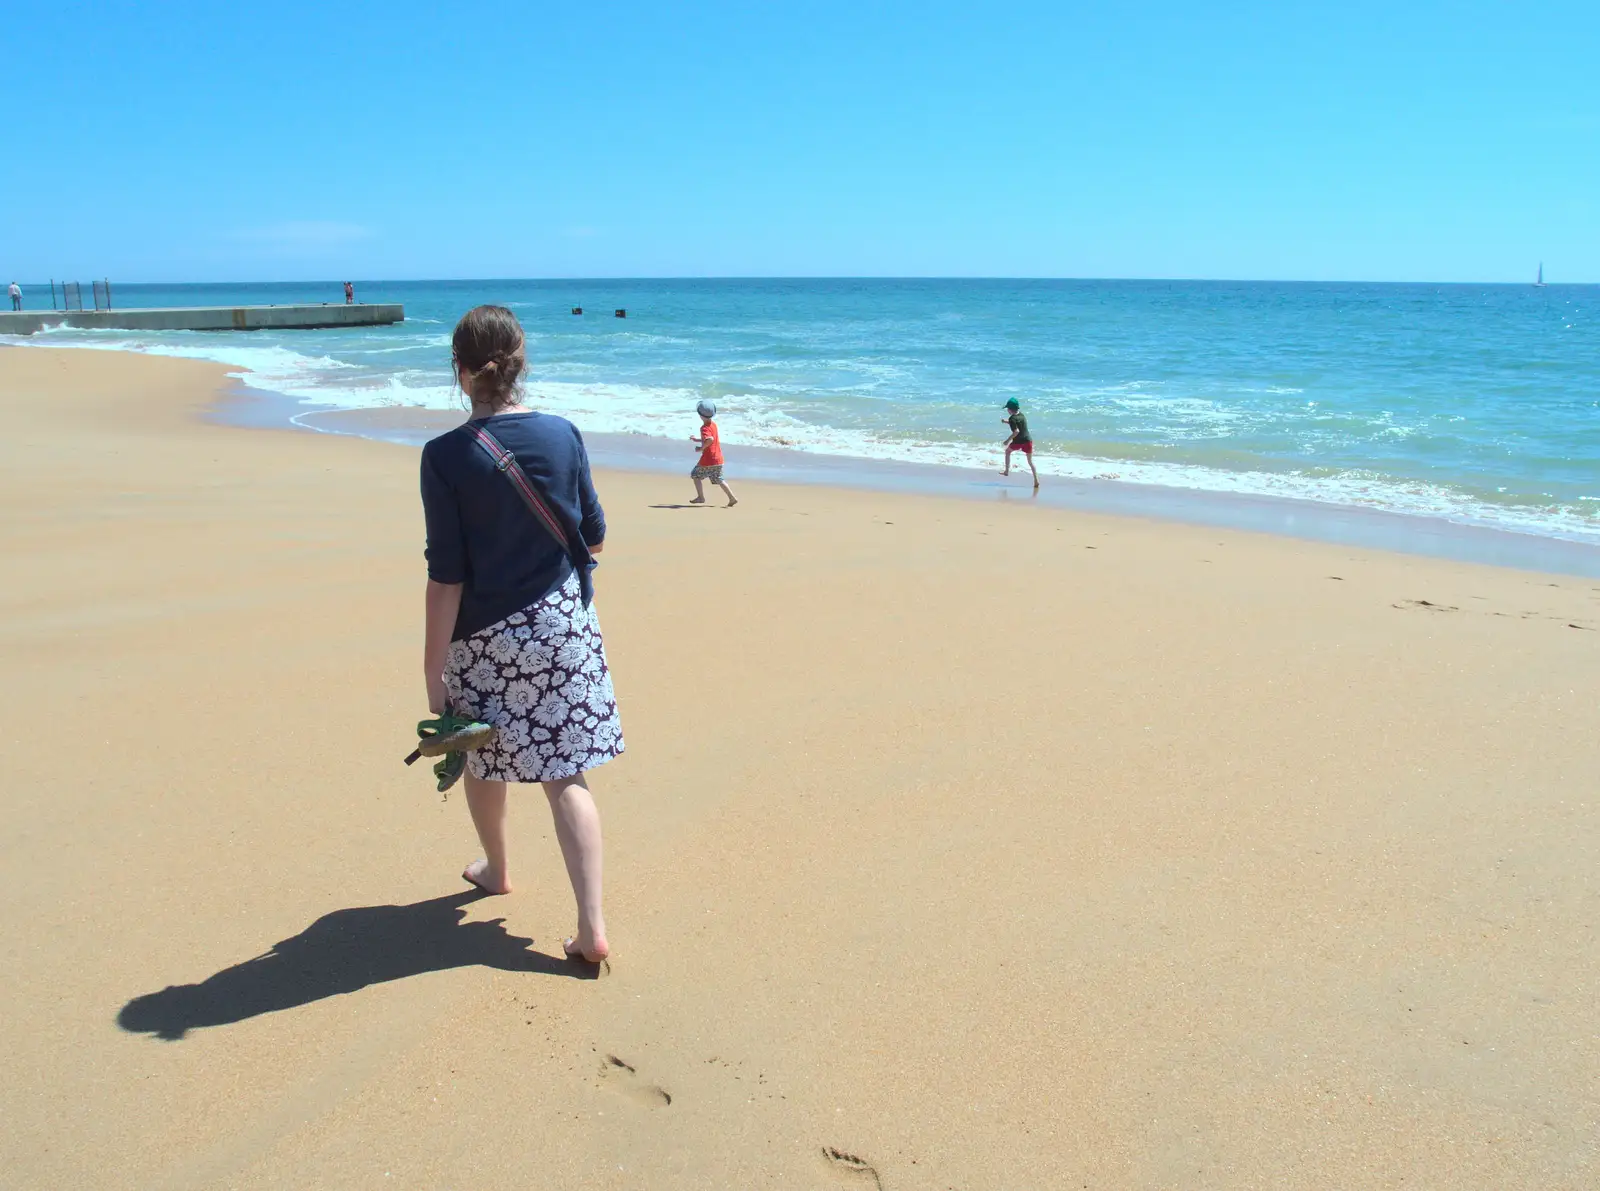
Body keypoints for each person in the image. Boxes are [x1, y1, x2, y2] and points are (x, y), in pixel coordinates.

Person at [420, 304, 621, 963]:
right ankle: (591, 928)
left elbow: (447, 574)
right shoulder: (563, 434)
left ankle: (497, 868)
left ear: (459, 372)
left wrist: (433, 673)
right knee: (567, 775)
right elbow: (593, 533)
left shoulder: (444, 456)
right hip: (562, 624)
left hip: (486, 639)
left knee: (483, 754)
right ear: (519, 364)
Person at [689, 399, 738, 507]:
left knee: (695, 475)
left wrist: (701, 448)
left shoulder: (704, 428)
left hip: (708, 459)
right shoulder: (713, 425)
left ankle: (701, 497)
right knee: (719, 479)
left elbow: (710, 439)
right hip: (718, 459)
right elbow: (709, 438)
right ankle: (732, 497)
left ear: (700, 415)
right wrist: (697, 439)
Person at [1000, 397, 1039, 489]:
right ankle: (1036, 480)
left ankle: (1006, 471)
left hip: (1018, 441)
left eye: (1007, 409)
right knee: (1030, 462)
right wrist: (1006, 421)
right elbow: (1017, 423)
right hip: (1028, 440)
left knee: (1007, 451)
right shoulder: (1022, 415)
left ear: (1009, 409)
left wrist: (1007, 440)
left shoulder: (1012, 418)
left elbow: (1016, 431)